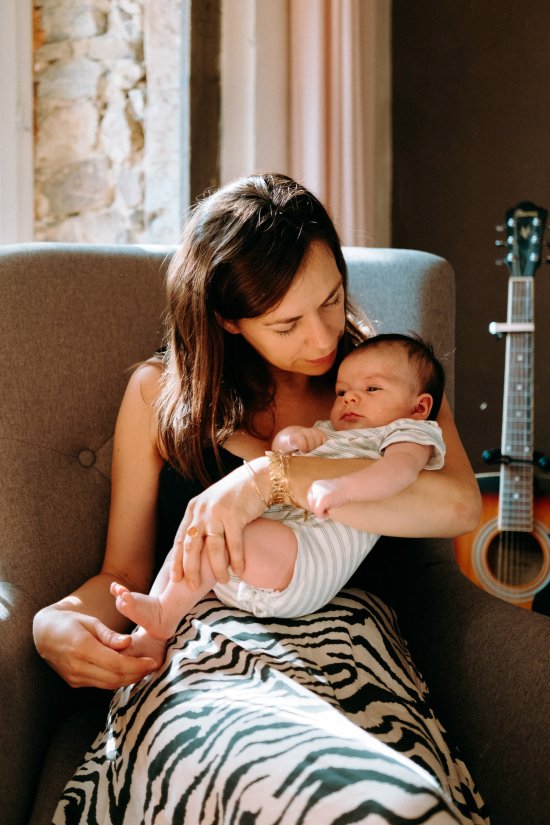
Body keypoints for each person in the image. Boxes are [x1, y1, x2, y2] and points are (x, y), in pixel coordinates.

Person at [33, 173, 487, 824]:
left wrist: (263, 478)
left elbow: (458, 507)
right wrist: (53, 623)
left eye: (332, 298)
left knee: (380, 800)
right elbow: (124, 573)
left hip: (350, 653)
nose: (323, 337)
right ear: (229, 318)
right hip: (204, 652)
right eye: (287, 322)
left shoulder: (389, 380)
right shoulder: (157, 394)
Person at [110, 333, 447, 666]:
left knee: (225, 533)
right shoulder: (329, 432)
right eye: (342, 391)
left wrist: (344, 489)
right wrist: (290, 440)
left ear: (420, 406)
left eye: (371, 389)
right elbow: (279, 453)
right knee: (200, 529)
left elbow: (397, 473)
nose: (351, 399)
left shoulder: (410, 433)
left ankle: (164, 616)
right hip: (264, 561)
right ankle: (151, 632)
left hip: (308, 565)